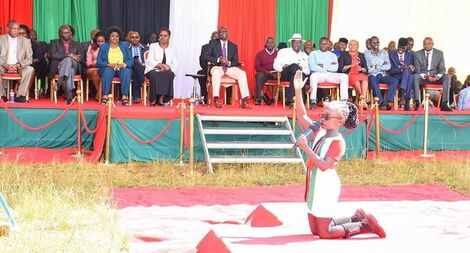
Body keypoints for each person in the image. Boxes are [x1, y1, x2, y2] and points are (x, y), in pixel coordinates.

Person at [292, 70, 386, 239]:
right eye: (322, 114)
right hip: (313, 182)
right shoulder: (320, 130)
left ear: (340, 121)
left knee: (325, 233)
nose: (322, 118)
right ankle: (353, 218)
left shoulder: (338, 142)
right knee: (315, 231)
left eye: (327, 116)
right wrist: (298, 90)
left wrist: (306, 148)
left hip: (325, 185)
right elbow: (301, 115)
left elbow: (323, 165)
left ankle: (364, 225)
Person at [202, 26, 251, 109]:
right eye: (221, 32)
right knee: (216, 73)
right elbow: (205, 56)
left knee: (242, 73)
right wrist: (218, 59)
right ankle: (216, 99)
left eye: (225, 31)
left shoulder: (233, 46)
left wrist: (228, 62)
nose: (223, 33)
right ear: (219, 34)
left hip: (229, 67)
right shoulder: (213, 43)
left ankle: (244, 100)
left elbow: (235, 62)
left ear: (227, 33)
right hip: (217, 66)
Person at [308, 37, 349, 109]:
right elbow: (312, 67)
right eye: (321, 44)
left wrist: (321, 65)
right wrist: (328, 65)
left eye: (325, 44)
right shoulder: (313, 54)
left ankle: (343, 101)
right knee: (313, 76)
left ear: (329, 45)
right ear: (319, 44)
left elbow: (335, 68)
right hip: (318, 75)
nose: (323, 45)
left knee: (344, 76)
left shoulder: (332, 55)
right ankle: (313, 100)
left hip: (330, 75)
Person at [413, 37, 452, 111]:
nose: (426, 45)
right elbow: (417, 70)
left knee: (447, 76)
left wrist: (437, 77)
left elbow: (442, 69)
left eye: (429, 44)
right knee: (415, 76)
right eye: (425, 44)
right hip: (423, 78)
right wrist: (427, 76)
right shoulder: (417, 54)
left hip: (435, 77)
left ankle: (444, 103)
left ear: (432, 44)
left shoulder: (439, 53)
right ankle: (417, 103)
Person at [97, 26, 133, 105]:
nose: (115, 38)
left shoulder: (124, 45)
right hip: (109, 67)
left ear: (119, 37)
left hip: (121, 67)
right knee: (107, 71)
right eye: (112, 35)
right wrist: (109, 64)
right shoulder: (103, 47)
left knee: (126, 72)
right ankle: (105, 96)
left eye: (117, 36)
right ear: (109, 37)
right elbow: (99, 62)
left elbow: (131, 60)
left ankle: (124, 96)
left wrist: (123, 65)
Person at [273, 33, 310, 109]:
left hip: (297, 76)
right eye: (295, 42)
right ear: (291, 42)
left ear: (301, 44)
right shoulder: (283, 51)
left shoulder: (304, 55)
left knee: (295, 75)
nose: (297, 44)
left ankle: (291, 101)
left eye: (299, 42)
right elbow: (275, 65)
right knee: (294, 66)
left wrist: (301, 69)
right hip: (285, 74)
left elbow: (308, 71)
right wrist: (283, 67)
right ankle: (300, 97)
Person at [0, 20, 34, 103]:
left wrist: (18, 65)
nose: (16, 31)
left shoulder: (25, 41)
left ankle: (20, 95)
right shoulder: (1, 39)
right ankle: (2, 95)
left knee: (30, 69)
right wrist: (5, 65)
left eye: (18, 29)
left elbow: (29, 58)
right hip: (3, 65)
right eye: (14, 29)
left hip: (19, 66)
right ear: (8, 29)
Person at [49, 24, 83, 104]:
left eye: (68, 32)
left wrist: (74, 58)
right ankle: (69, 96)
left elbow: (80, 58)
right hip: (59, 66)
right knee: (69, 70)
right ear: (60, 34)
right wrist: (69, 55)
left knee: (68, 61)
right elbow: (53, 55)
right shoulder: (54, 42)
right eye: (64, 33)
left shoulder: (77, 44)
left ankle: (59, 83)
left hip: (74, 65)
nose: (66, 34)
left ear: (71, 33)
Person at [144, 28, 177, 106]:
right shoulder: (153, 46)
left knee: (170, 74)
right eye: (161, 35)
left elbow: (175, 64)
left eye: (165, 36)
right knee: (155, 74)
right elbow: (150, 60)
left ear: (169, 37)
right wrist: (161, 65)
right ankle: (154, 98)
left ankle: (162, 98)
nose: (163, 37)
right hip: (153, 69)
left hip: (167, 70)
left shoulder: (173, 48)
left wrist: (168, 67)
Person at [364, 36, 399, 110]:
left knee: (395, 81)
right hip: (372, 75)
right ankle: (381, 102)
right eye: (373, 42)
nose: (376, 44)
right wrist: (382, 65)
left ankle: (387, 101)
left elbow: (388, 66)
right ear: (370, 44)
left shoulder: (384, 52)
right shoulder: (366, 53)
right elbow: (368, 68)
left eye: (377, 42)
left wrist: (375, 66)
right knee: (373, 81)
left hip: (383, 75)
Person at [338, 40, 368, 106]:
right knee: (356, 81)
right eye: (351, 44)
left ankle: (362, 98)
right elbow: (340, 68)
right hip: (349, 75)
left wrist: (362, 69)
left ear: (358, 46)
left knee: (365, 79)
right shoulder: (343, 54)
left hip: (359, 74)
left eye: (355, 44)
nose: (352, 46)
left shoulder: (361, 55)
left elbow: (366, 69)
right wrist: (351, 66)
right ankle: (364, 99)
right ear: (348, 46)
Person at [389, 38, 415, 110]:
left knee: (410, 75)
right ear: (397, 45)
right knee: (408, 74)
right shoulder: (392, 55)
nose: (401, 49)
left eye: (403, 48)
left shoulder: (410, 55)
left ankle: (404, 97)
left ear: (406, 47)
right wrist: (402, 68)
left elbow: (413, 69)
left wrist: (410, 67)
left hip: (407, 77)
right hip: (396, 76)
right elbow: (391, 71)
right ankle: (406, 99)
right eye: (399, 47)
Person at [254, 36, 277, 105]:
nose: (270, 44)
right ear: (265, 44)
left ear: (274, 44)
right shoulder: (260, 54)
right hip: (265, 73)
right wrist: (266, 71)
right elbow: (257, 66)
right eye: (268, 42)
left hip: (276, 74)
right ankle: (258, 98)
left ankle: (287, 99)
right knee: (259, 75)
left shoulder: (278, 53)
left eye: (271, 43)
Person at [197, 31, 219, 105]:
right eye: (215, 37)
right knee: (200, 73)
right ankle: (205, 96)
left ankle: (229, 98)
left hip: (219, 70)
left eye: (218, 38)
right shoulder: (205, 47)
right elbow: (202, 61)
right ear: (211, 38)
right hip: (207, 69)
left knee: (229, 73)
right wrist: (208, 68)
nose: (216, 39)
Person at [127, 31, 148, 103]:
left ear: (139, 38)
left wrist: (142, 64)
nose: (134, 39)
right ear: (129, 39)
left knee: (135, 74)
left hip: (142, 68)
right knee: (135, 62)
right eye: (132, 37)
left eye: (136, 37)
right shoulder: (126, 48)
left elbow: (150, 60)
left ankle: (136, 96)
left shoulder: (146, 48)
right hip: (129, 68)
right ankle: (141, 81)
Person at [86, 31, 106, 101]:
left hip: (104, 68)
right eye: (98, 41)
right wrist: (97, 65)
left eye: (102, 41)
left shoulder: (108, 48)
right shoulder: (91, 47)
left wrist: (100, 65)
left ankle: (99, 93)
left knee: (103, 72)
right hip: (92, 68)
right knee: (95, 72)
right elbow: (89, 63)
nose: (100, 43)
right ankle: (100, 92)